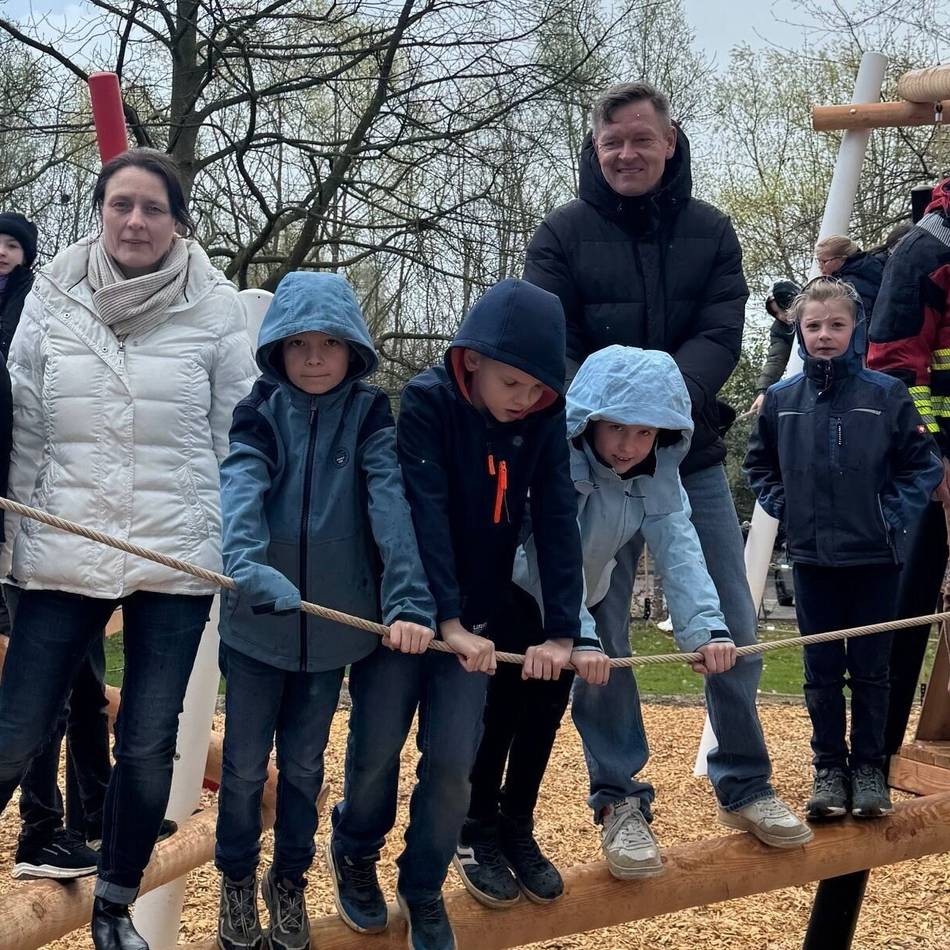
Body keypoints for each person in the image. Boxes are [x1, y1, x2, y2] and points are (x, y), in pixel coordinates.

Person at [523, 80, 808, 865]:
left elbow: (722, 328)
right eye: (611, 141)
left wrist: (659, 415)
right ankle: (619, 798)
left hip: (691, 457)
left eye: (640, 139)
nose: (626, 154)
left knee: (731, 626)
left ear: (670, 142)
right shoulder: (560, 234)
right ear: (595, 146)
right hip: (586, 464)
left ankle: (746, 780)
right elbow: (552, 337)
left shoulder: (713, 232)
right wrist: (612, 416)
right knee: (599, 636)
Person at [0, 147, 257, 950]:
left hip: (173, 554)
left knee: (149, 738)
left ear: (178, 221)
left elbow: (235, 438)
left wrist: (228, 543)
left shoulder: (214, 309)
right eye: (121, 205)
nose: (136, 221)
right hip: (61, 544)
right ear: (101, 212)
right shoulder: (50, 297)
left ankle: (114, 903)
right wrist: (12, 543)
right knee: (15, 728)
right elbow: (27, 432)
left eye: (153, 208)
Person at [456, 343, 810, 910]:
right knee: (498, 720)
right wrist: (583, 635)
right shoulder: (560, 464)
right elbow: (548, 558)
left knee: (543, 723)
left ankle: (517, 827)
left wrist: (707, 630)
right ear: (588, 422)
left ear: (666, 435)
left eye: (646, 433)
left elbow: (680, 545)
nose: (628, 445)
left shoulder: (656, 472)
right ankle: (475, 830)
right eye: (617, 428)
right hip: (516, 602)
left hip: (571, 612)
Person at [329, 278, 586, 950]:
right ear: (471, 360)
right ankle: (355, 850)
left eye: (538, 390)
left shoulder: (539, 421)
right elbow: (425, 514)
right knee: (376, 748)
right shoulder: (426, 401)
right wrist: (442, 620)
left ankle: (423, 883)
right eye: (513, 385)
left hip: (478, 617)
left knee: (453, 763)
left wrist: (563, 629)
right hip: (405, 612)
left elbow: (557, 517)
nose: (524, 401)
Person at [214, 272, 436, 950]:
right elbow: (241, 488)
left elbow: (389, 504)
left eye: (331, 344)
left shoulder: (370, 414)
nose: (314, 358)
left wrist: (407, 598)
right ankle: (234, 881)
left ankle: (290, 881)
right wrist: (247, 565)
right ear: (277, 348)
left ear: (354, 350)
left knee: (306, 768)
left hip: (333, 635)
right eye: (300, 343)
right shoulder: (259, 410)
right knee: (246, 767)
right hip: (258, 627)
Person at [745, 278, 941, 820]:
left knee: (874, 670)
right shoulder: (782, 402)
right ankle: (829, 769)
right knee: (822, 670)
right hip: (812, 559)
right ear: (799, 330)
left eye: (836, 325)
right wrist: (789, 509)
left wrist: (889, 517)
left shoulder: (886, 396)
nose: (824, 335)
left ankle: (870, 768)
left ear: (855, 328)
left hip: (876, 559)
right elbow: (759, 464)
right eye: (813, 326)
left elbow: (921, 464)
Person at [866, 179, 950, 759]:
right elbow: (893, 363)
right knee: (903, 621)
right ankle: (871, 763)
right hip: (933, 466)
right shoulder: (926, 248)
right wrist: (933, 456)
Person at [749, 280, 801, 415]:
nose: (782, 317)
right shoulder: (780, 329)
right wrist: (763, 391)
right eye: (776, 314)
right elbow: (775, 359)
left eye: (782, 310)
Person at [814, 234, 884, 319]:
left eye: (824, 261)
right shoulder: (870, 268)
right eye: (818, 261)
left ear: (842, 259)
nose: (820, 266)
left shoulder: (849, 286)